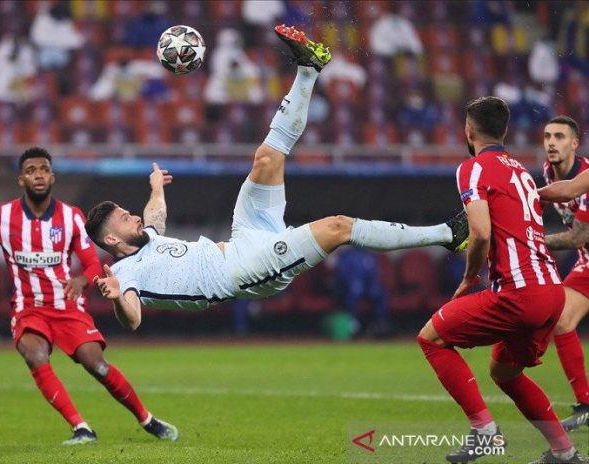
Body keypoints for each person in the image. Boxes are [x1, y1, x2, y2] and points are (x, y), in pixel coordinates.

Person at [84, 25, 469, 330]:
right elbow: (132, 319)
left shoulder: (146, 239)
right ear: (112, 240)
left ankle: (309, 69)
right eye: (123, 218)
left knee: (266, 158)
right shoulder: (123, 274)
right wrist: (117, 297)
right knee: (339, 227)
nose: (132, 216)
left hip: (241, 239)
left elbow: (154, 219)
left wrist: (155, 190)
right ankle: (446, 235)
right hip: (245, 273)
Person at [0, 147, 178, 445]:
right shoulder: (1, 217)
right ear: (21, 180)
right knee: (34, 353)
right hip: (29, 309)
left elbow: (93, 261)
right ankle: (81, 427)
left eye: (43, 169)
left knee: (97, 364)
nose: (38, 175)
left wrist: (83, 278)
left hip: (67, 306)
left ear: (52, 176)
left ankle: (147, 419)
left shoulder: (71, 218)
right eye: (31, 170)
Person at [418, 97, 587, 464]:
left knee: (431, 337)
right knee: (505, 371)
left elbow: (479, 233)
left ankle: (484, 432)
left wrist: (468, 279)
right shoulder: (523, 172)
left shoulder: (473, 168)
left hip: (519, 294)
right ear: (506, 131)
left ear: (468, 130)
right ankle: (563, 451)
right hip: (552, 291)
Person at [539, 116, 589, 432]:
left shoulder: (585, 179)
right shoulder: (548, 173)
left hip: (583, 248)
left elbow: (576, 237)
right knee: (561, 321)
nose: (551, 142)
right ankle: (586, 404)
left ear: (574, 143)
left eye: (559, 136)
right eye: (547, 136)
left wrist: (525, 240)